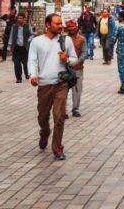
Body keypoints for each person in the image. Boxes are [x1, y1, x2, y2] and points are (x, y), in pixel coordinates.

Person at [28, 13, 79, 161]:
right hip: (44, 85)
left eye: (60, 23)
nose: (61, 26)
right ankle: (44, 132)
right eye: (57, 23)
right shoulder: (37, 42)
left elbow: (75, 60)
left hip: (61, 84)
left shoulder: (66, 40)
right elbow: (32, 61)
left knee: (59, 116)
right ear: (48, 24)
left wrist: (67, 59)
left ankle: (57, 148)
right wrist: (33, 75)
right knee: (42, 117)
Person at [4, 11, 33, 83]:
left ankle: (27, 74)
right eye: (18, 18)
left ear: (24, 19)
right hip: (16, 48)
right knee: (17, 64)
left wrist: (29, 40)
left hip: (25, 48)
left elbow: (32, 34)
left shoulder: (28, 26)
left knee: (26, 63)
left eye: (21, 18)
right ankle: (19, 78)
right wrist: (9, 46)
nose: (19, 19)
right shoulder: (14, 26)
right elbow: (11, 36)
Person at [65, 20, 85, 117]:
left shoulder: (82, 39)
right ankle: (63, 110)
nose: (72, 29)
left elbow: (85, 52)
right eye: (69, 27)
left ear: (77, 28)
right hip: (65, 68)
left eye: (73, 27)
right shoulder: (63, 39)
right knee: (63, 90)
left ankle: (75, 109)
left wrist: (77, 61)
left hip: (78, 67)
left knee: (77, 89)